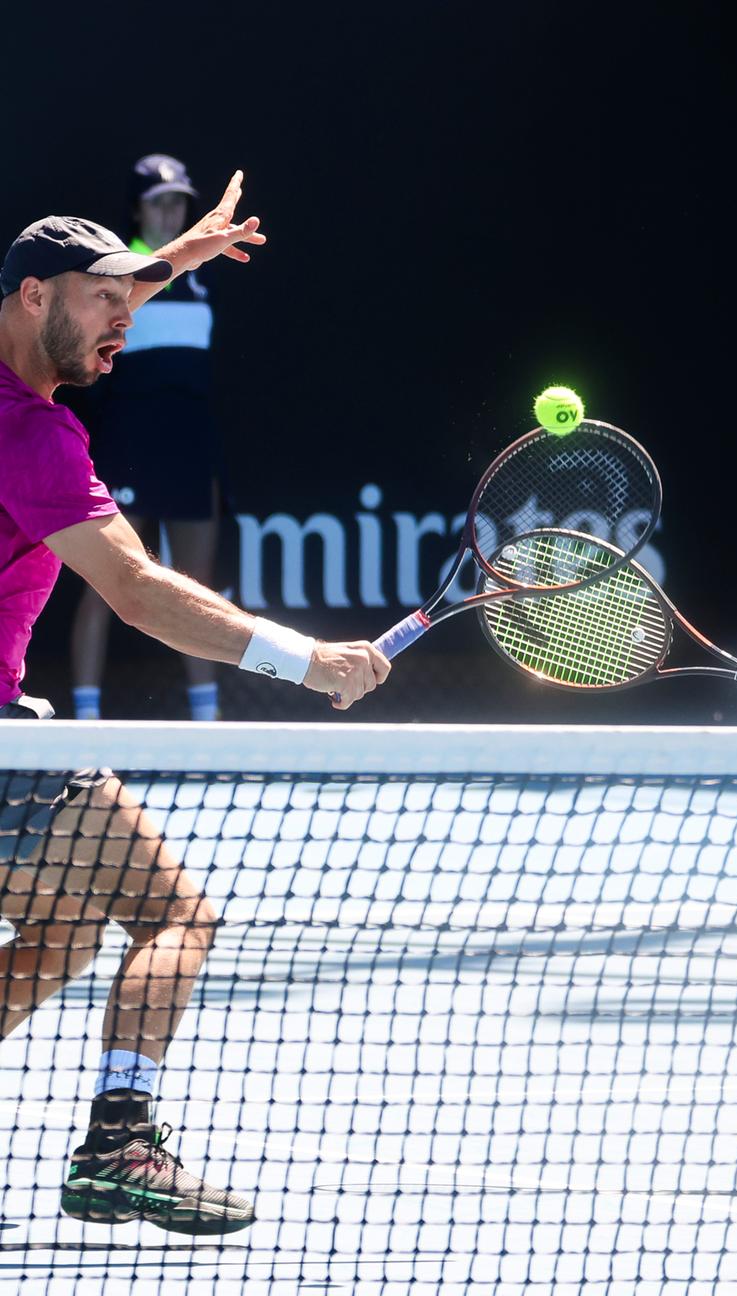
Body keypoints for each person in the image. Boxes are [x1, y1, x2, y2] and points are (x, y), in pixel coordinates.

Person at [0, 177, 391, 1234]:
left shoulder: (25, 351)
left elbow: (110, 290)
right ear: (35, 298)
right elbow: (137, 590)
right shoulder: (34, 440)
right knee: (174, 915)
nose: (125, 321)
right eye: (103, 301)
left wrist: (178, 259)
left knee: (68, 926)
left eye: (135, 301)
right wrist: (302, 659)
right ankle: (119, 1147)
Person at [71, 154, 226, 722]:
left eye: (178, 202)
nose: (170, 212)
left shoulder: (203, 284)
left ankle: (206, 729)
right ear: (138, 208)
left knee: (196, 587)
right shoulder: (118, 280)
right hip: (128, 453)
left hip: (189, 450)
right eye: (160, 202)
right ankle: (85, 726)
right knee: (108, 584)